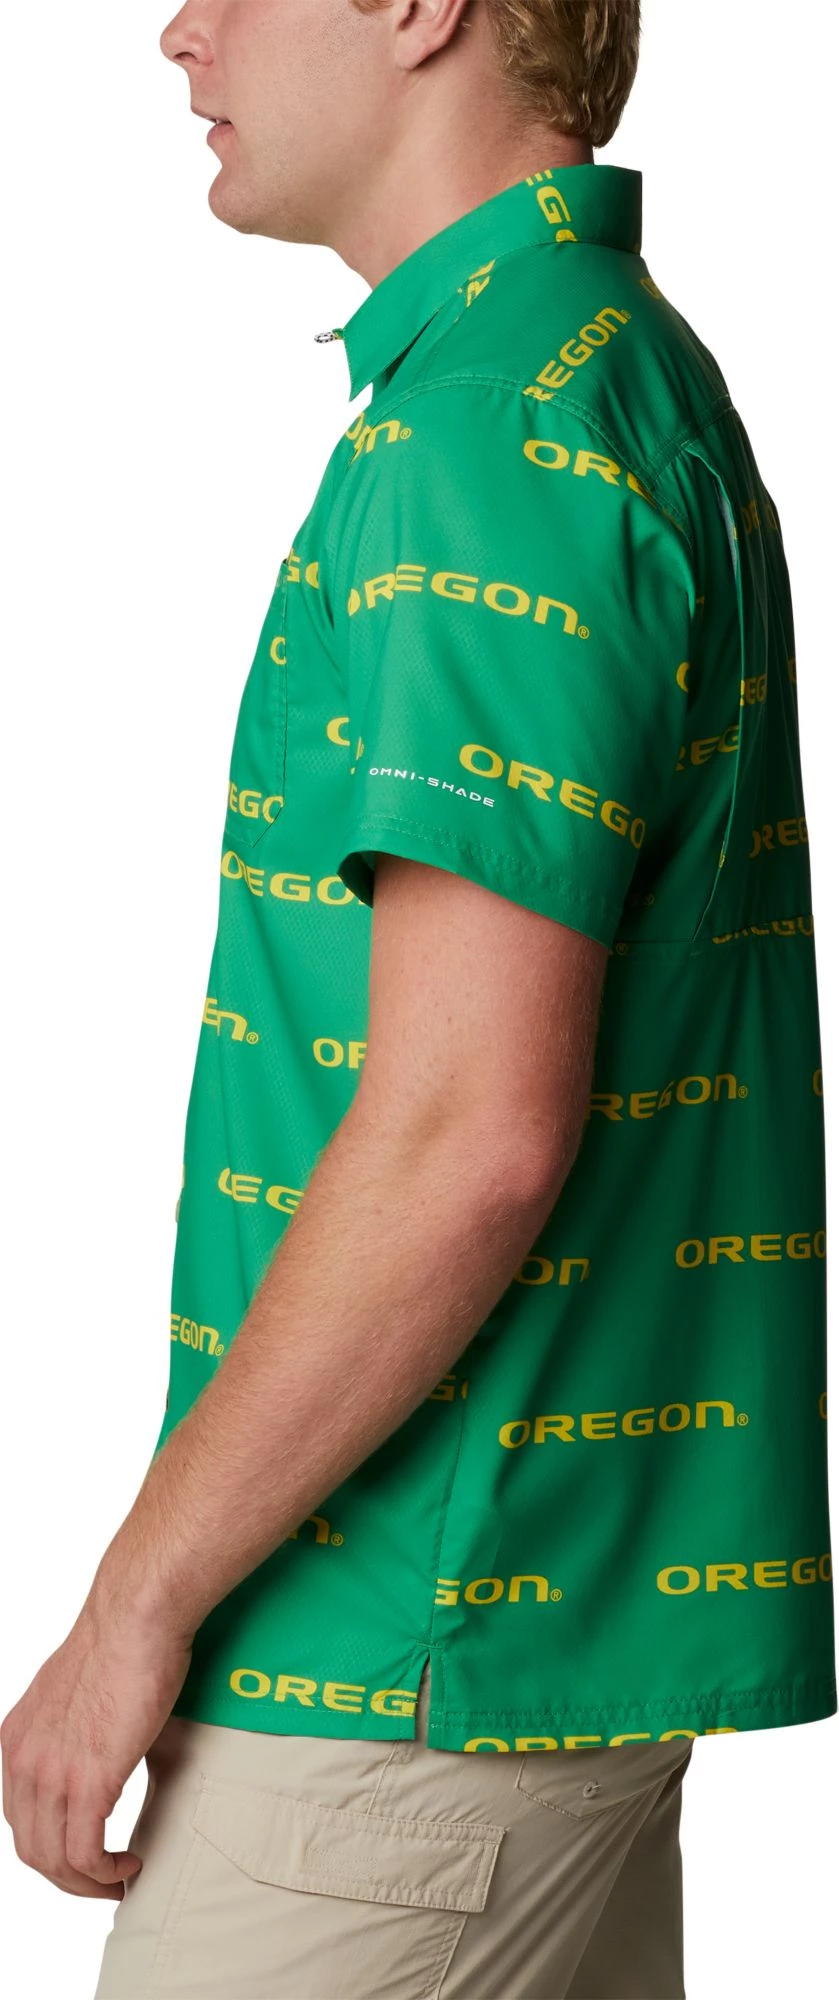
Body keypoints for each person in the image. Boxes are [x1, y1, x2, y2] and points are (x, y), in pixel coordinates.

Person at [1, 2, 834, 1995]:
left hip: (399, 1673)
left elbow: (469, 1134)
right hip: (525, 1635)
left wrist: (131, 1604)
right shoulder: (600, 372)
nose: (178, 32)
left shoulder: (483, 435)